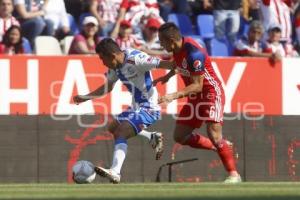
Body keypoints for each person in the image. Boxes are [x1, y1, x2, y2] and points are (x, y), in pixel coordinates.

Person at [73, 38, 174, 183]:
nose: (103, 63)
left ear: (112, 56)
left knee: (121, 132)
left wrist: (181, 62)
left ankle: (115, 172)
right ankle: (152, 137)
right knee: (113, 127)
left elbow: (165, 64)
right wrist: (86, 97)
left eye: (103, 59)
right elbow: (107, 87)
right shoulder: (115, 67)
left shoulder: (137, 59)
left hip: (149, 107)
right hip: (136, 106)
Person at [154, 22, 242, 183]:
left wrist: (172, 96)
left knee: (214, 134)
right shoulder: (178, 49)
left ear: (172, 40)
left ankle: (234, 175)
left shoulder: (194, 53)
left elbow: (198, 85)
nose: (160, 44)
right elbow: (179, 64)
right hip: (195, 96)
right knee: (180, 136)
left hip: (210, 93)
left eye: (162, 41)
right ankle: (221, 146)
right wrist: (167, 76)